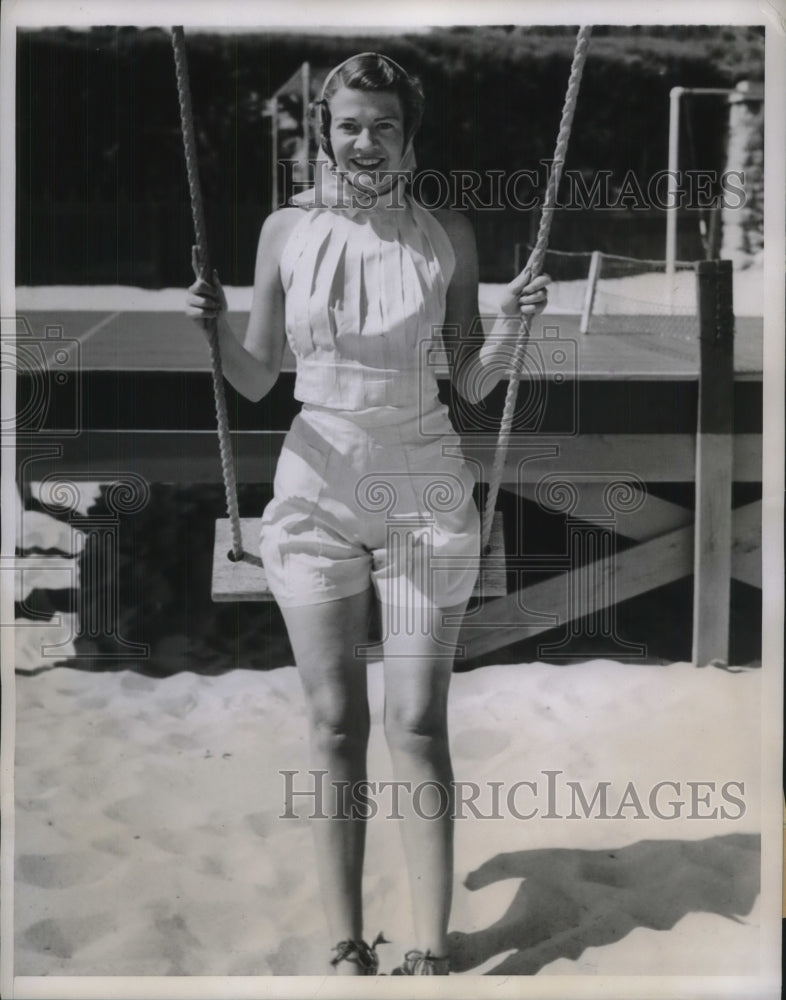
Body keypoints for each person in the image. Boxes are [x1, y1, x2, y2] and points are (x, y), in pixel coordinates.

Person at [186, 51, 549, 976]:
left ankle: (430, 947)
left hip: (425, 485)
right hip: (314, 486)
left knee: (419, 721)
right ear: (325, 132)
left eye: (384, 124)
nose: (366, 140)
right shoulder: (281, 234)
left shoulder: (447, 235)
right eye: (349, 123)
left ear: (409, 136)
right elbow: (260, 377)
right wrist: (216, 328)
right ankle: (345, 942)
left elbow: (468, 382)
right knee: (333, 723)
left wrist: (511, 330)